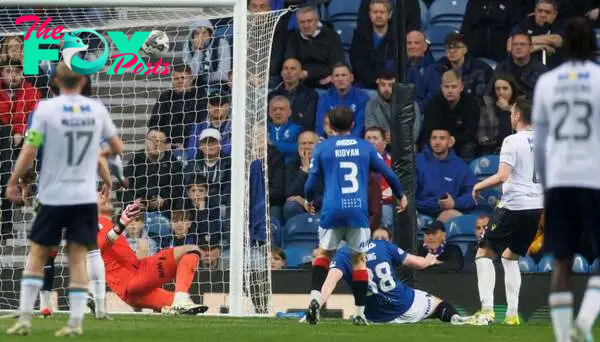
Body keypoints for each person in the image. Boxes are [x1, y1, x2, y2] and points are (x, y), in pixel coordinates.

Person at [5, 62, 124, 336]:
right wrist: (107, 180)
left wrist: (14, 180)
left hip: (52, 195)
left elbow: (29, 149)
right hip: (83, 196)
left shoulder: (44, 109)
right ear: (82, 82)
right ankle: (77, 322)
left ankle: (24, 317)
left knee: (37, 253)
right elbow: (114, 148)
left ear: (55, 81)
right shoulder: (97, 110)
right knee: (79, 257)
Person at [304, 106, 408, 325]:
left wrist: (309, 199)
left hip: (332, 210)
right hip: (357, 211)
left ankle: (314, 300)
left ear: (330, 125)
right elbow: (388, 173)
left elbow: (311, 182)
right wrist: (400, 194)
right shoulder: (365, 147)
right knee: (358, 260)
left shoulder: (322, 148)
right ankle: (360, 313)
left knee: (324, 254)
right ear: (353, 125)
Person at [532, 17, 600, 342]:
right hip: (593, 177)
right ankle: (586, 320)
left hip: (559, 179)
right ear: (593, 46)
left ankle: (562, 339)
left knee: (561, 261)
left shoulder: (546, 82)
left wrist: (546, 184)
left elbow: (541, 139)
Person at [471, 97, 543, 326]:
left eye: (512, 113)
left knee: (483, 253)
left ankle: (487, 311)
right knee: (510, 256)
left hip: (514, 205)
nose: (511, 117)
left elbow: (502, 176)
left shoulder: (512, 141)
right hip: (536, 208)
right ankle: (512, 314)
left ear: (518, 116)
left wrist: (478, 185)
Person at [317, 227, 482, 325]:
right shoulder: (383, 246)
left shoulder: (342, 254)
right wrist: (430, 259)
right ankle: (455, 318)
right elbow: (421, 264)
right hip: (404, 303)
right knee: (439, 304)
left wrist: (315, 307)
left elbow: (329, 284)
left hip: (374, 316)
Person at [96, 196, 207, 315]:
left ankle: (179, 301)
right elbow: (100, 246)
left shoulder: (107, 224)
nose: (105, 196)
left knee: (183, 308)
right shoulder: (92, 222)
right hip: (133, 277)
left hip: (132, 290)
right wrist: (122, 223)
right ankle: (180, 299)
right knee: (191, 250)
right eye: (99, 195)